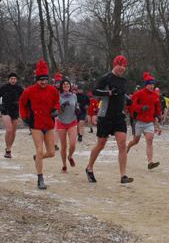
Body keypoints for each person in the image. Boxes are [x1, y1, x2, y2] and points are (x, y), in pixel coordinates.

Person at [85, 55, 133, 184]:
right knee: (101, 144)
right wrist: (108, 93)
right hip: (105, 116)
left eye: (124, 66)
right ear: (114, 65)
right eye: (120, 65)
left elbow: (121, 93)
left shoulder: (123, 80)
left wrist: (127, 99)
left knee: (122, 144)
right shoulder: (106, 78)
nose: (122, 68)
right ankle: (89, 168)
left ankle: (123, 176)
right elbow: (94, 91)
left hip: (119, 116)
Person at [19, 59, 60, 190]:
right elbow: (22, 103)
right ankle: (40, 178)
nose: (43, 82)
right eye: (41, 80)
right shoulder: (29, 91)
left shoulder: (53, 90)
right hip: (36, 124)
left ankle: (38, 158)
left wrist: (56, 109)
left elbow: (57, 102)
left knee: (52, 153)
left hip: (49, 124)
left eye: (45, 80)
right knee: (39, 150)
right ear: (37, 80)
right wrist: (24, 117)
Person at [127, 72, 162, 170]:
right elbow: (132, 106)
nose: (152, 86)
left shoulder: (155, 95)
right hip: (138, 122)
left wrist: (158, 115)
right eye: (150, 84)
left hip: (149, 122)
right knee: (135, 141)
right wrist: (141, 108)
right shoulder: (138, 94)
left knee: (149, 140)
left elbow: (157, 107)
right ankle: (128, 147)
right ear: (146, 84)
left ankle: (150, 162)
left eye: (153, 84)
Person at [56, 78, 79, 172]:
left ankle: (70, 156)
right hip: (61, 122)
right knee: (64, 146)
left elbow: (76, 105)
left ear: (70, 86)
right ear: (61, 86)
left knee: (73, 144)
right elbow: (56, 111)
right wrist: (62, 106)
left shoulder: (74, 96)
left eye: (67, 84)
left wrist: (77, 109)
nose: (66, 85)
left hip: (72, 121)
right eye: (64, 84)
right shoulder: (58, 97)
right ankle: (64, 165)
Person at [0, 72, 23, 158]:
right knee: (9, 130)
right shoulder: (4, 88)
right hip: (5, 110)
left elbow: (24, 98)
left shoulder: (19, 88)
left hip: (15, 111)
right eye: (11, 79)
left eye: (15, 79)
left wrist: (19, 103)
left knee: (13, 132)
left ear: (16, 80)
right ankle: (8, 149)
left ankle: (8, 149)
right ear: (8, 79)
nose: (13, 80)